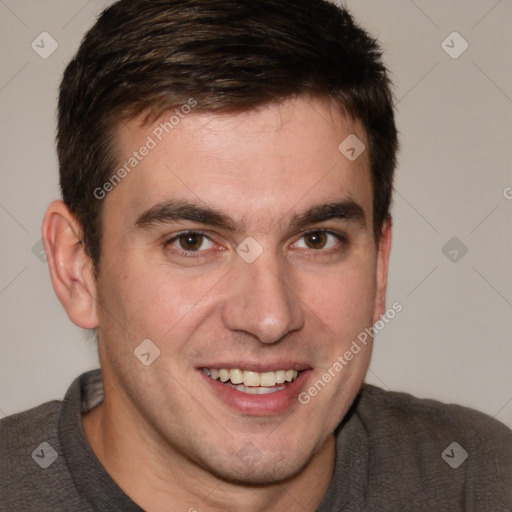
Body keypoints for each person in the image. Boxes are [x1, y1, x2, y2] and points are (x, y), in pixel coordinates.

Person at [0, 0, 510, 510]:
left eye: (316, 239)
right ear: (77, 268)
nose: (269, 317)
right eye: (192, 241)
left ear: (379, 267)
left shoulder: (482, 482)